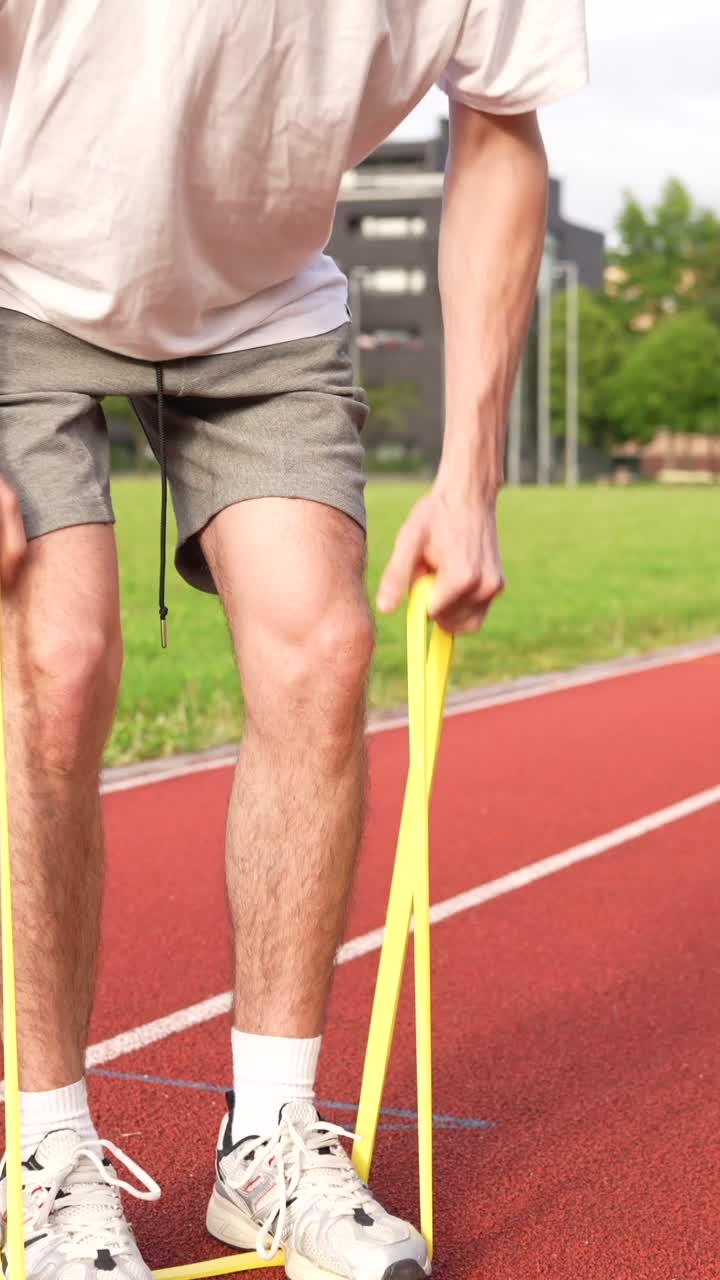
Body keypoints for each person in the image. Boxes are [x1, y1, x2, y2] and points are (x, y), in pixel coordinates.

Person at [0, 2, 588, 1277]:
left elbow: (499, 128)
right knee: (59, 659)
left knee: (324, 646)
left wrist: (473, 474)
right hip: (16, 276)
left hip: (259, 310)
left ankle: (269, 1138)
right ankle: (45, 1154)